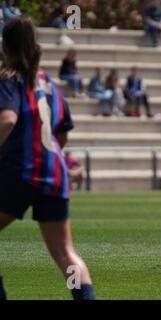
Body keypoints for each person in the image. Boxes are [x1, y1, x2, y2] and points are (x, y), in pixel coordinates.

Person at [0, 16, 95, 299]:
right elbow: (62, 131)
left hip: (21, 170)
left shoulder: (8, 78)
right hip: (54, 173)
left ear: (5, 46)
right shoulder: (47, 82)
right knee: (66, 254)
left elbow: (7, 120)